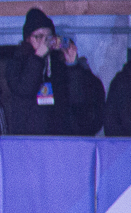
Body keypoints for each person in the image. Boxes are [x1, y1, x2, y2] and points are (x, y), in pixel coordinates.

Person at [5, 8, 90, 136]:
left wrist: (72, 66)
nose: (44, 42)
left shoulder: (58, 62)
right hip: (28, 137)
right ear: (28, 38)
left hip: (57, 136)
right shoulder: (17, 62)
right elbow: (25, 89)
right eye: (39, 36)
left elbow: (77, 98)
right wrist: (38, 58)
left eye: (48, 37)